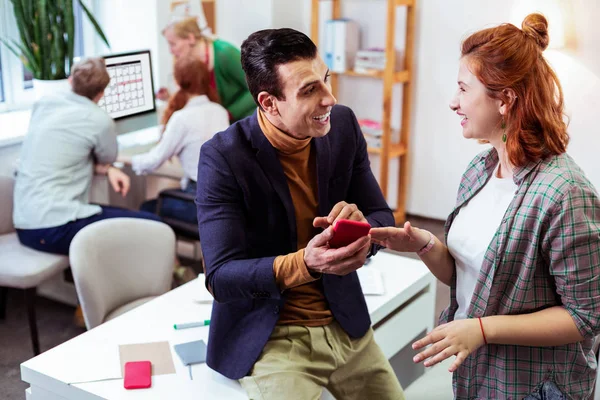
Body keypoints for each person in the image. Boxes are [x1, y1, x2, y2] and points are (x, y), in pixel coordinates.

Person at [370, 14, 600, 399]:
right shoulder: (481, 169)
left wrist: (481, 329)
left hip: (533, 386)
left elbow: (584, 317)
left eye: (463, 89)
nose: (452, 102)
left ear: (505, 99)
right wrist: (425, 245)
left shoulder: (564, 194)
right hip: (480, 376)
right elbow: (474, 279)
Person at [196, 28, 404, 400]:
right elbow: (221, 277)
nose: (330, 98)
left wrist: (362, 234)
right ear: (269, 103)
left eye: (324, 79)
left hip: (346, 324)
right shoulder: (223, 157)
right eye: (310, 91)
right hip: (272, 337)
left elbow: (381, 217)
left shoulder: (342, 126)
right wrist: (306, 264)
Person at [14, 57, 161, 256]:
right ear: (101, 93)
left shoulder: (44, 103)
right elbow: (108, 157)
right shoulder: (99, 119)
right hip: (56, 226)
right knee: (155, 227)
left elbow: (65, 156)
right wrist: (108, 167)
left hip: (25, 223)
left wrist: (107, 169)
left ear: (70, 81)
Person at [125, 55, 229, 224]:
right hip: (223, 200)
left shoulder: (181, 118)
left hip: (198, 202)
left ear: (178, 83)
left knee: (147, 207)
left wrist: (116, 156)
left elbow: (152, 161)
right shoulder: (219, 111)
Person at [158, 17, 255, 122]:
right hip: (221, 124)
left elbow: (259, 88)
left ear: (191, 38)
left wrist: (228, 113)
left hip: (246, 122)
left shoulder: (225, 53)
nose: (170, 51)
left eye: (173, 44)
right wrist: (169, 97)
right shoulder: (191, 63)